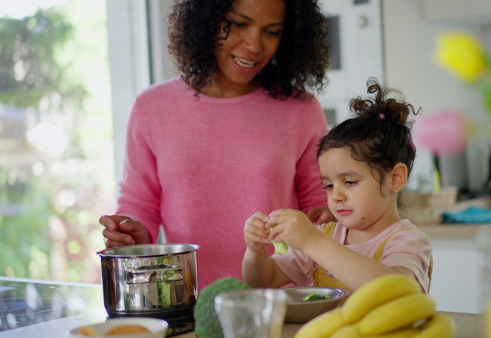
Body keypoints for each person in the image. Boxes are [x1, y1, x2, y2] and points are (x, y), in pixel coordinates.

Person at [99, 0, 334, 288]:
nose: (254, 45)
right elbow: (140, 203)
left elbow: (319, 208)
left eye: (271, 31)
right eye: (238, 24)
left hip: (279, 302)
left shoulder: (301, 109)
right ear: (206, 20)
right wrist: (132, 233)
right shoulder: (152, 107)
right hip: (188, 301)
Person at [242, 78, 433, 293]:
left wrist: (312, 242)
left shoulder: (406, 241)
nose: (336, 196)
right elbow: (260, 281)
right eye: (329, 186)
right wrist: (255, 251)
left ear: (395, 178)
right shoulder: (325, 234)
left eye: (350, 182)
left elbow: (397, 292)